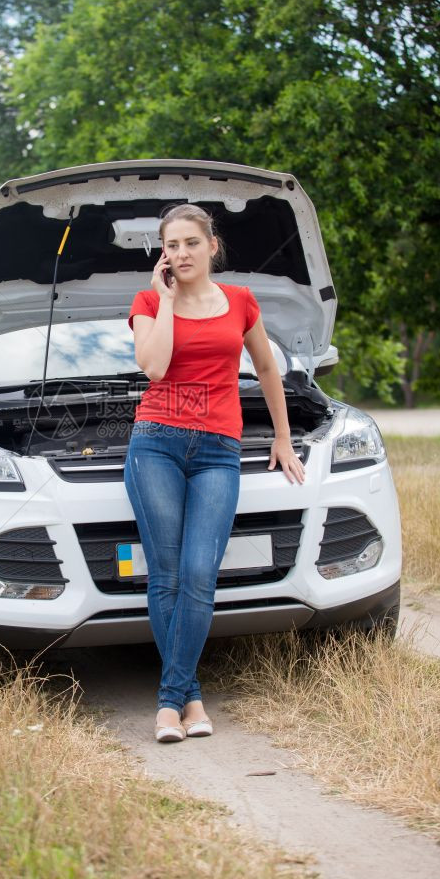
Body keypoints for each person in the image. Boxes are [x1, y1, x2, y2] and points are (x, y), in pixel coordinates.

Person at [124, 203, 305, 743]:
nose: (180, 254)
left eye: (190, 243)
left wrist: (282, 436)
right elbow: (153, 366)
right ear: (163, 253)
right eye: (171, 245)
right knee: (168, 576)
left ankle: (172, 698)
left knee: (201, 574)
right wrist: (167, 300)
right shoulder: (149, 301)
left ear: (212, 246)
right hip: (155, 444)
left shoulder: (242, 302)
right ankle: (185, 700)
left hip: (219, 451)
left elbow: (267, 367)